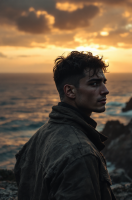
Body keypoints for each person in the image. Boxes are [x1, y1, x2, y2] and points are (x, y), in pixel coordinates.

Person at [14, 51, 116, 200]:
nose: (105, 91)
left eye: (103, 82)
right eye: (94, 83)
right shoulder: (81, 153)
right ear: (70, 91)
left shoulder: (40, 135)